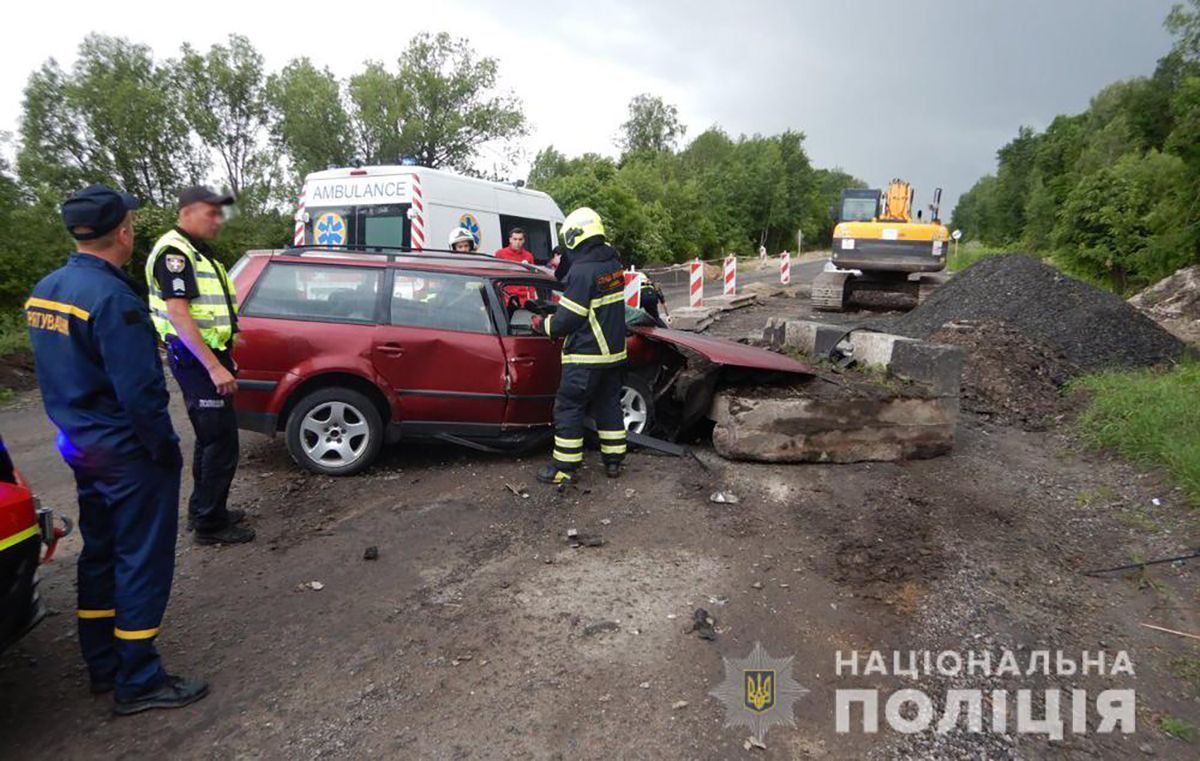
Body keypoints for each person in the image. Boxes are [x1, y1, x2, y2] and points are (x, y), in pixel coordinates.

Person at [26, 184, 208, 714]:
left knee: (101, 552)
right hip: (127, 452)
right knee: (142, 559)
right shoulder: (113, 299)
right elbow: (141, 392)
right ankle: (139, 679)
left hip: (81, 446)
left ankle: (103, 663)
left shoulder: (47, 289)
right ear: (124, 232)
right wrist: (164, 448)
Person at [145, 187, 253, 545]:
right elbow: (178, 314)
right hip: (195, 358)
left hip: (206, 354)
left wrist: (224, 356)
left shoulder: (196, 252)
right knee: (220, 442)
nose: (219, 221)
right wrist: (213, 367)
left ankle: (206, 510)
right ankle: (210, 525)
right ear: (188, 212)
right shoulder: (175, 253)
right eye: (212, 214)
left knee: (211, 439)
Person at [530, 207, 627, 486]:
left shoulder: (583, 271)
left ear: (574, 235)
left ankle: (565, 466)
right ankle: (614, 461)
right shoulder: (613, 264)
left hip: (586, 356)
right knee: (609, 405)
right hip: (614, 354)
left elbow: (567, 320)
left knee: (568, 407)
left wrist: (542, 325)